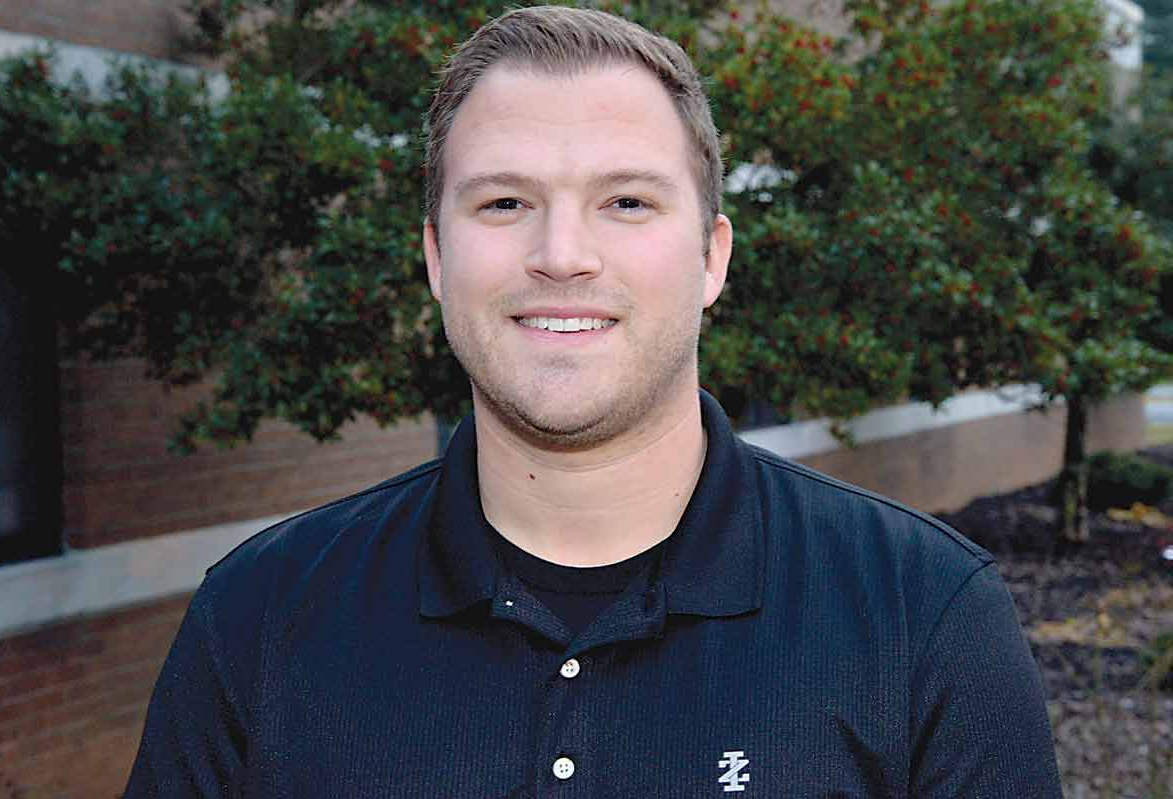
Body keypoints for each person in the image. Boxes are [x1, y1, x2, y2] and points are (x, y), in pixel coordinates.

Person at [124, 6, 1063, 798]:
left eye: (625, 202)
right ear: (436, 258)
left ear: (712, 258)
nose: (562, 254)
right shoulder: (258, 617)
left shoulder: (925, 614)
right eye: (503, 204)